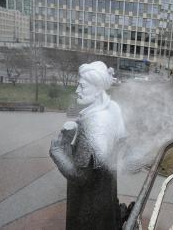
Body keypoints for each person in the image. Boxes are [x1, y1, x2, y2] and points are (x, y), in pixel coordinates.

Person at [50, 61, 127, 230]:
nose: (77, 90)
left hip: (88, 209)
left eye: (82, 86)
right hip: (105, 199)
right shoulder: (113, 110)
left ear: (98, 90)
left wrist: (57, 151)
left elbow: (80, 175)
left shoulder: (93, 124)